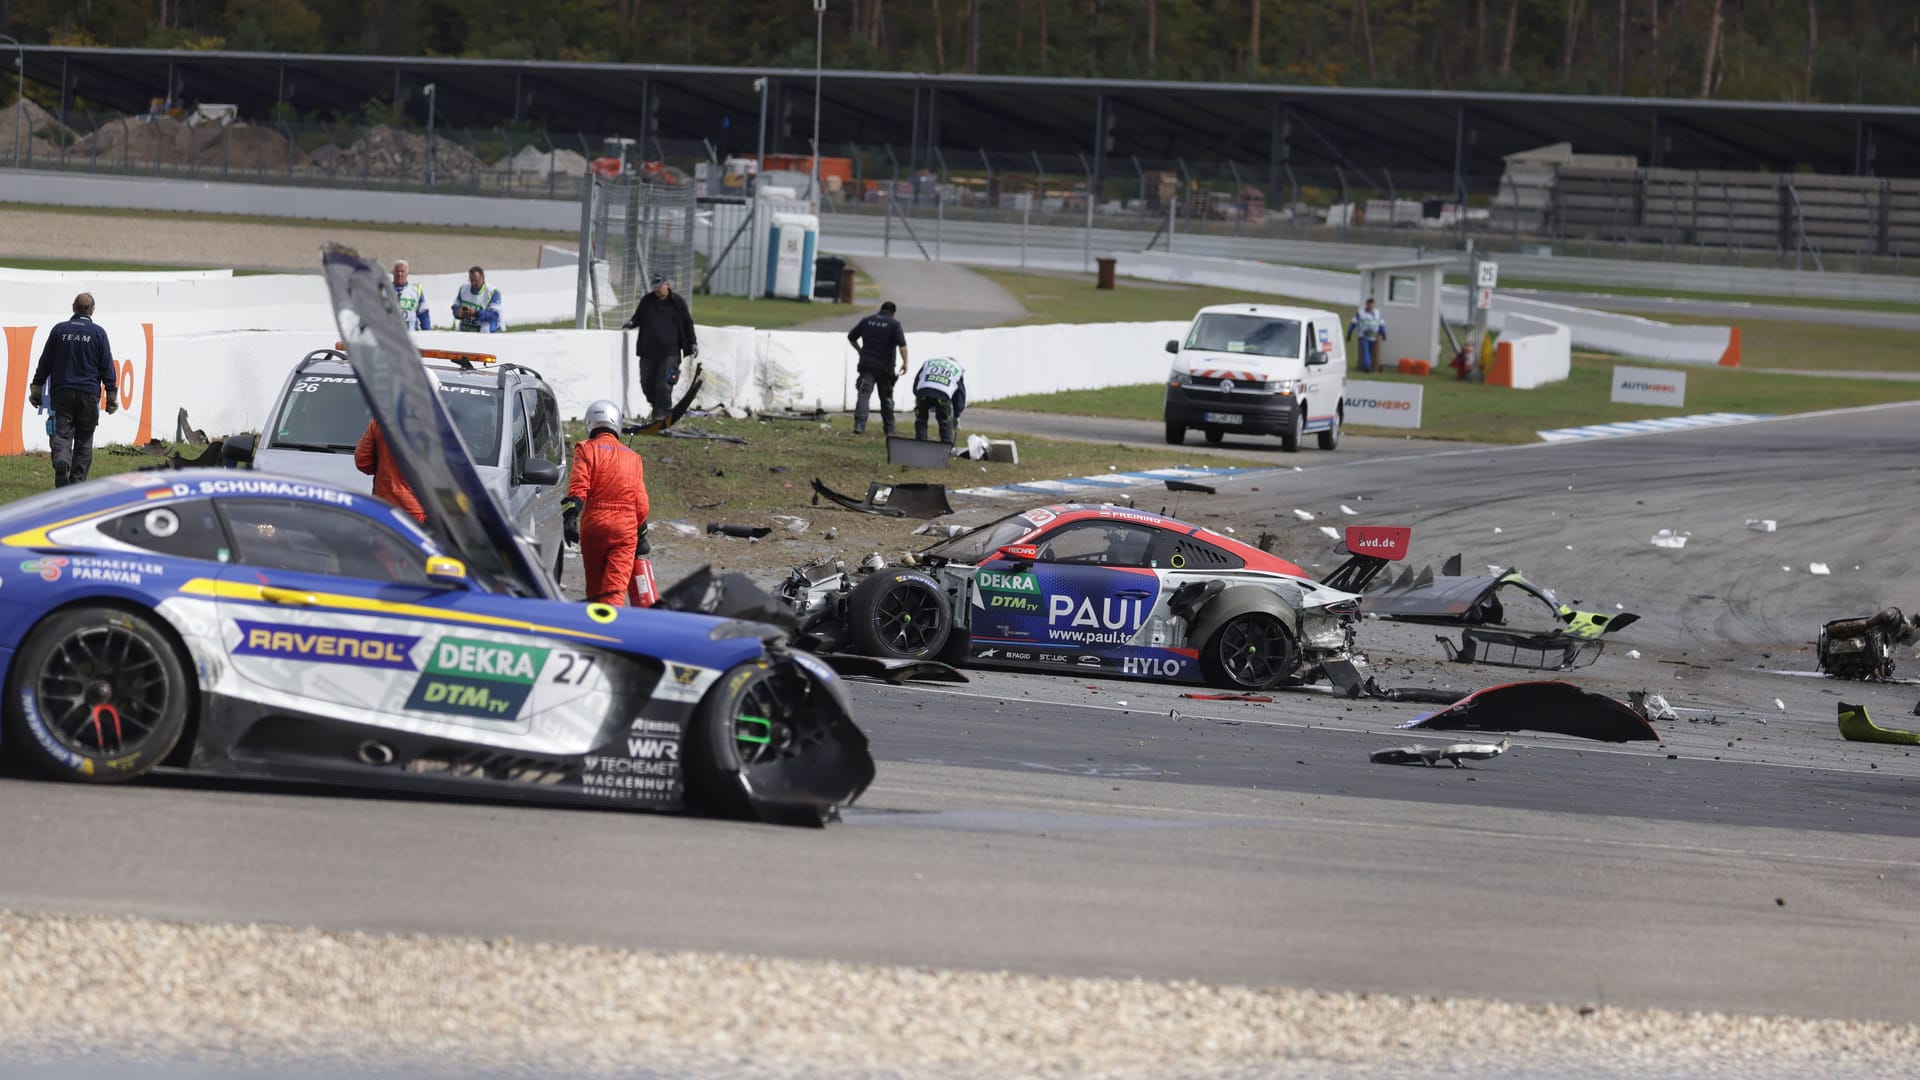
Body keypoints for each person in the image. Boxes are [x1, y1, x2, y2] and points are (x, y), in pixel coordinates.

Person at [564, 400, 653, 607]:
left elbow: (578, 488)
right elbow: (641, 502)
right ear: (616, 423)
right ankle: (609, 634)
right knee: (614, 593)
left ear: (590, 423)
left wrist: (569, 520)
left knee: (594, 591)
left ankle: (593, 631)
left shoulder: (585, 449)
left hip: (594, 526)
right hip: (625, 530)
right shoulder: (634, 457)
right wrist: (641, 533)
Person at [29, 292, 118, 488]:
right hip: (89, 395)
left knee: (61, 434)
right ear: (92, 310)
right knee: (84, 440)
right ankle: (77, 484)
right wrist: (111, 396)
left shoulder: (59, 330)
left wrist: (36, 388)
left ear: (73, 308)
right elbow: (107, 367)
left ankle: (62, 460)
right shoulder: (98, 333)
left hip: (61, 392)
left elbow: (45, 362)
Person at [621, 273, 697, 420]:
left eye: (659, 286)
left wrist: (693, 343)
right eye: (654, 287)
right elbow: (638, 317)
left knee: (663, 384)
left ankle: (662, 414)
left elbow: (688, 323)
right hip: (648, 351)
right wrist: (631, 323)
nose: (656, 290)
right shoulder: (647, 301)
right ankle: (657, 408)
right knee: (646, 383)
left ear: (667, 284)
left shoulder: (677, 302)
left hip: (670, 352)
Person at [847, 300, 908, 435]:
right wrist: (905, 362)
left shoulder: (867, 320)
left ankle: (859, 425)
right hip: (885, 368)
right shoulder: (894, 324)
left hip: (867, 365)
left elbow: (851, 337)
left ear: (881, 309)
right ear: (893, 313)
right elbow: (902, 346)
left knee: (863, 395)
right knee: (886, 397)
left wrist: (860, 350)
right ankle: (889, 429)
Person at [354, 420, 427, 524]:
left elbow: (363, 462)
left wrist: (383, 469)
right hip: (419, 509)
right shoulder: (435, 423)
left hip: (384, 503)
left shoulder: (380, 420)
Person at [911, 356, 967, 446]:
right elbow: (959, 395)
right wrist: (957, 415)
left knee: (921, 420)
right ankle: (946, 447)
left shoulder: (929, 362)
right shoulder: (957, 368)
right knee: (944, 421)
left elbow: (917, 381)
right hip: (943, 393)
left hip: (924, 391)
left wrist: (918, 396)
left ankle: (920, 445)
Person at [451, 266, 503, 333]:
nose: (473, 283)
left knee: (486, 328)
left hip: (485, 329)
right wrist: (458, 312)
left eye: (476, 281)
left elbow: (494, 315)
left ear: (483, 278)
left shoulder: (492, 292)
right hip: (466, 327)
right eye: (471, 280)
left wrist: (476, 313)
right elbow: (455, 306)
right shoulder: (464, 288)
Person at [1346, 297, 1387, 374]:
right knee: (1366, 352)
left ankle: (1368, 366)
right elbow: (1353, 323)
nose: (1370, 306)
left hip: (1373, 337)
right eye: (1369, 304)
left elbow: (1381, 324)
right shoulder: (1360, 313)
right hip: (1363, 336)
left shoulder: (1377, 313)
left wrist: (1383, 333)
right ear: (1367, 305)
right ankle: (1366, 367)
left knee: (1370, 353)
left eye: (1371, 304)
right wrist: (1349, 333)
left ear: (1373, 305)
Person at [392, 260, 429, 330]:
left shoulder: (416, 290)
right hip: (390, 336)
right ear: (393, 273)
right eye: (397, 271)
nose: (399, 274)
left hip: (410, 335)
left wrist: (427, 333)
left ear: (407, 274)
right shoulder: (384, 290)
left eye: (402, 271)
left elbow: (423, 314)